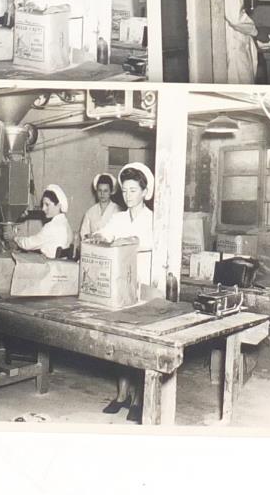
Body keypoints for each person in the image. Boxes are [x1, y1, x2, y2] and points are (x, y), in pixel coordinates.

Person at [91, 163, 155, 422]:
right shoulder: (118, 218)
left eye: (133, 190)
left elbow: (146, 244)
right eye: (125, 191)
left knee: (140, 344)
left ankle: (139, 398)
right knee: (120, 342)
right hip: (120, 286)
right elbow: (106, 234)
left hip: (142, 286)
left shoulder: (152, 219)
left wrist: (125, 241)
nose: (128, 196)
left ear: (144, 191)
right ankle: (121, 395)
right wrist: (99, 236)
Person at [13, 185, 72, 259]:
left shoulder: (52, 226)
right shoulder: (65, 223)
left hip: (51, 266)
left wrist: (15, 238)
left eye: (47, 205)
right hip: (60, 264)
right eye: (43, 205)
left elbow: (28, 244)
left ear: (58, 205)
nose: (43, 208)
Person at [75, 172, 119, 251]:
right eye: (100, 190)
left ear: (111, 191)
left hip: (110, 251)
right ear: (96, 191)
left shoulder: (117, 210)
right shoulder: (90, 212)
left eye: (105, 191)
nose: (102, 194)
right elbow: (84, 233)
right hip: (92, 250)